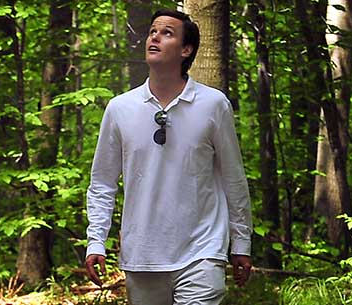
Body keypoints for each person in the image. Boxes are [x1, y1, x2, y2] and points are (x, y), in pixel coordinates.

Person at [83, 9, 253, 305]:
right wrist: (96, 241)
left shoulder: (214, 105)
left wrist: (241, 243)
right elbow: (102, 183)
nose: (155, 37)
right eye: (152, 31)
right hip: (143, 255)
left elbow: (233, 178)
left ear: (186, 50)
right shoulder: (120, 108)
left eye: (167, 33)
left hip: (202, 250)